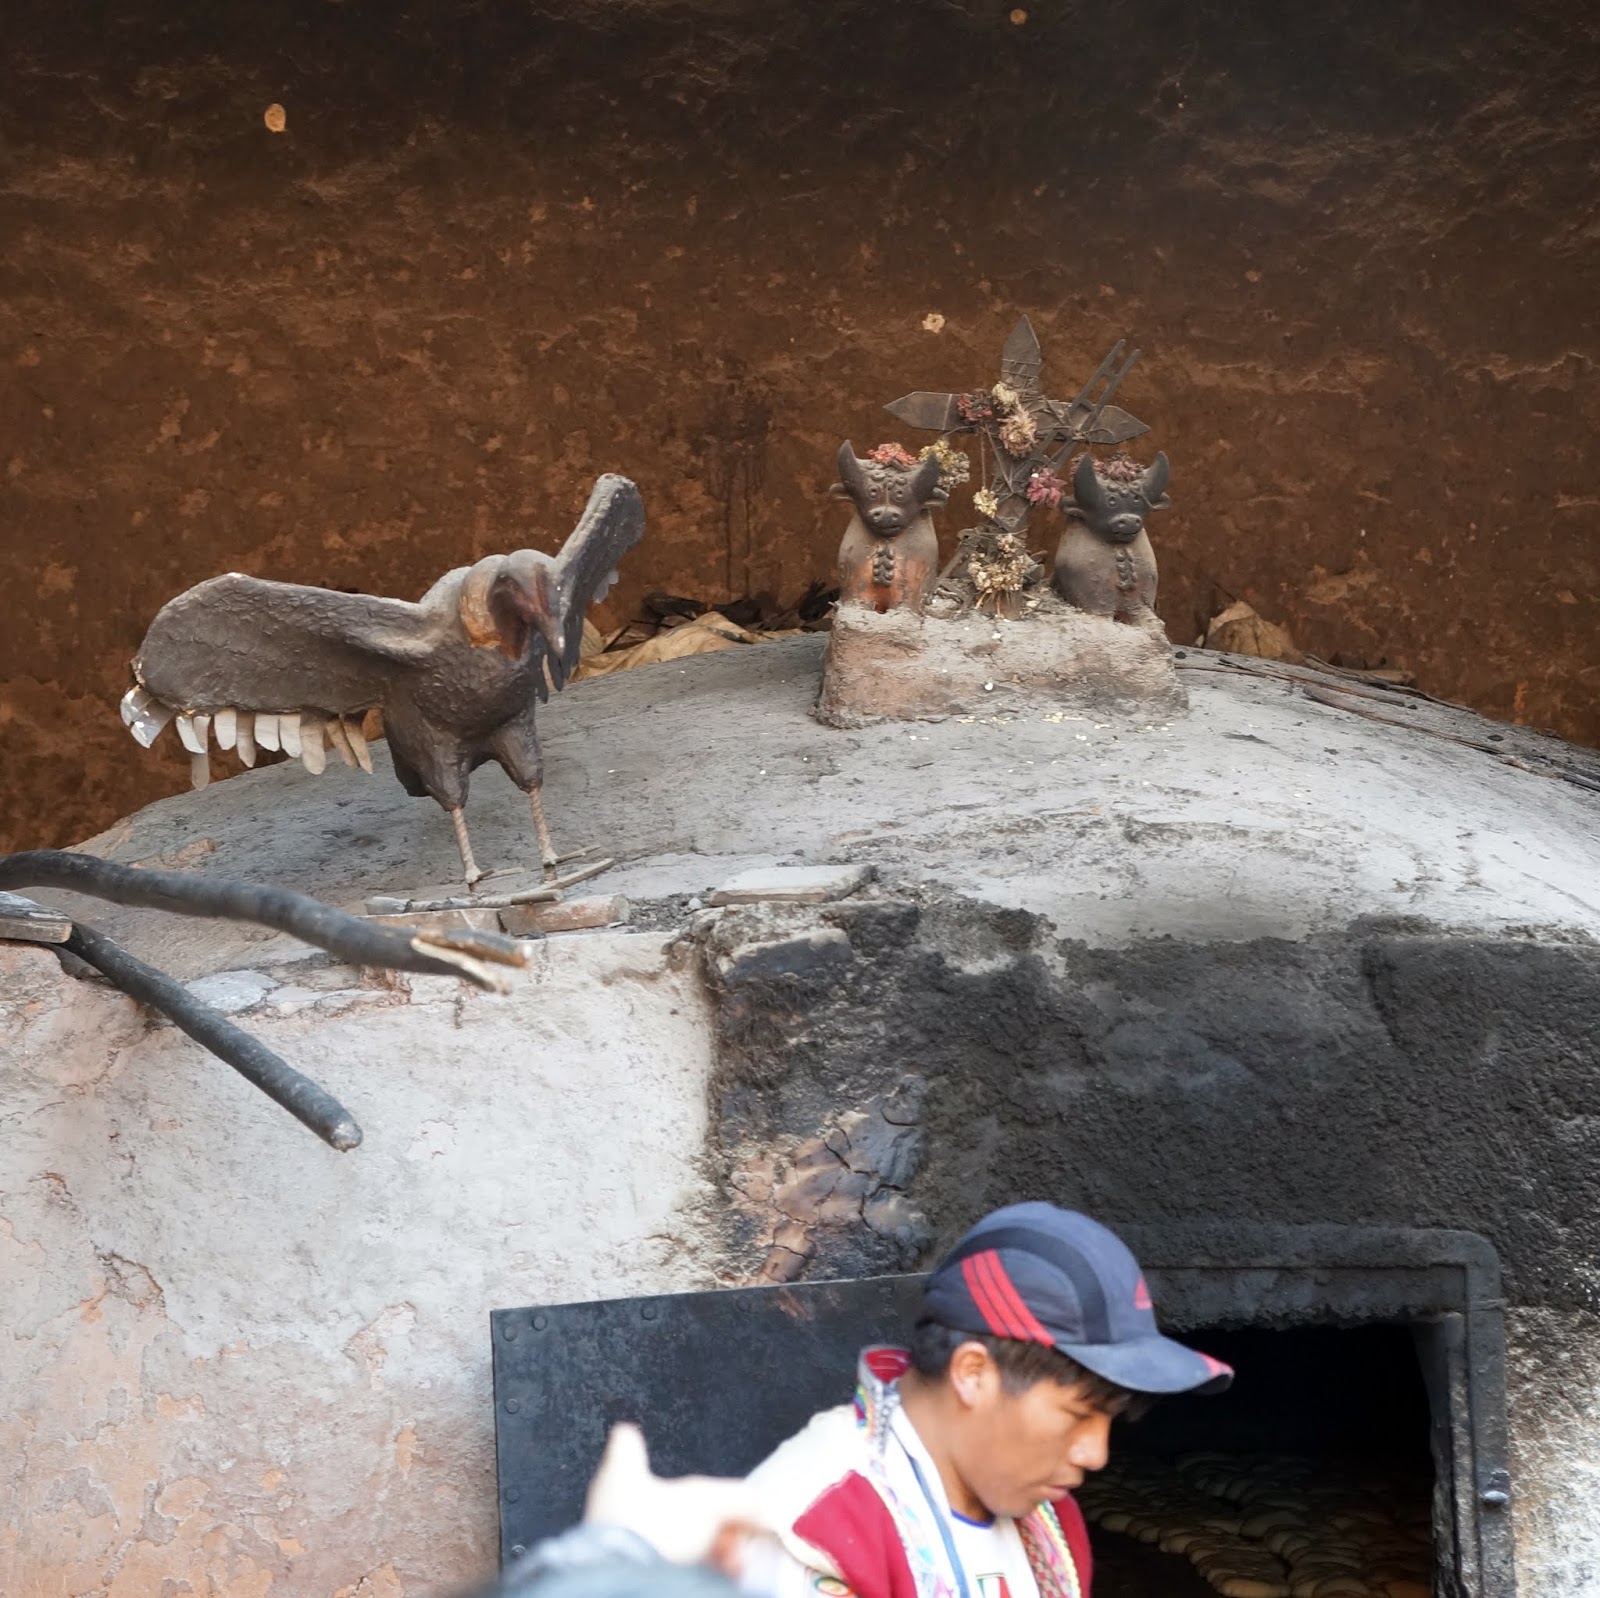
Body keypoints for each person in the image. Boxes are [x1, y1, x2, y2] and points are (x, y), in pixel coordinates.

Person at [736, 1203, 1234, 1598]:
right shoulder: (817, 1529)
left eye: (1109, 1419)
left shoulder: (1050, 1522)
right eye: (1078, 1414)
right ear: (973, 1373)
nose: (1095, 1455)